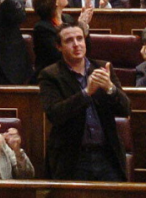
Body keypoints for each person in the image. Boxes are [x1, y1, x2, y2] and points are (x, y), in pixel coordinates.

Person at [40, 21, 129, 182]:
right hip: (73, 158)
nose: (76, 44)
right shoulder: (50, 75)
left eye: (79, 39)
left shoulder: (102, 68)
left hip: (107, 156)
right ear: (59, 46)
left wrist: (110, 88)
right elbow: (55, 114)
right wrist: (86, 93)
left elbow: (125, 109)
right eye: (69, 41)